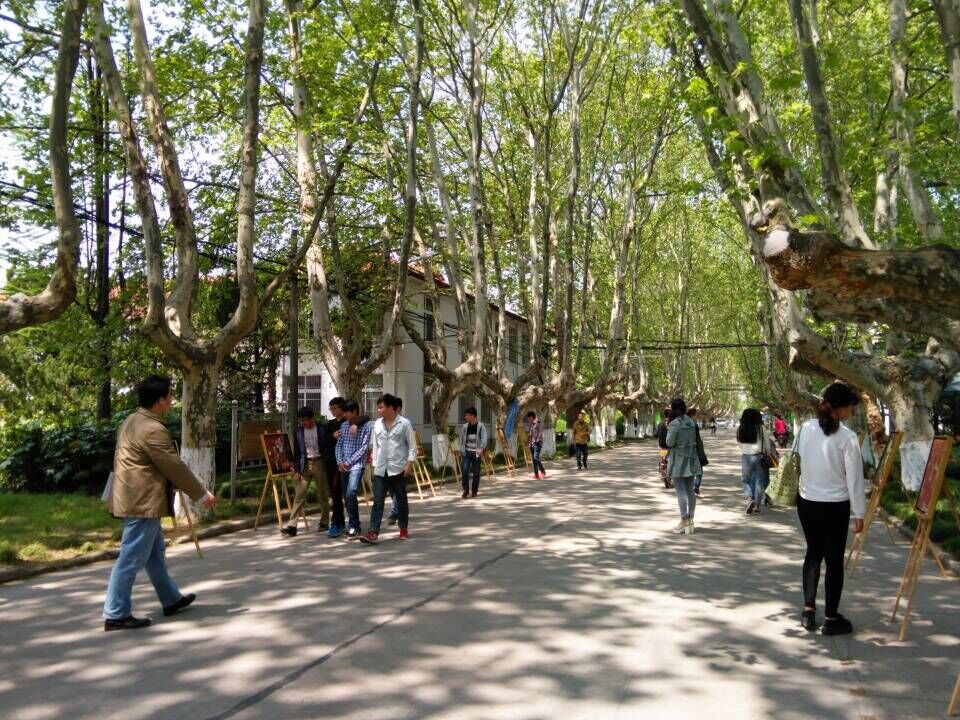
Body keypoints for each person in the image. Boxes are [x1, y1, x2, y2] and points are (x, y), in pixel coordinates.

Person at [102, 374, 216, 631]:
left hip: (133, 497)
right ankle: (115, 612)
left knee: (154, 555)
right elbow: (173, 466)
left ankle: (170, 599)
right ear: (159, 400)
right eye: (170, 396)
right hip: (142, 502)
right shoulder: (153, 429)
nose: (172, 400)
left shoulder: (131, 421)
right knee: (131, 557)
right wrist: (201, 494)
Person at [796, 382, 865, 635]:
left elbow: (798, 458)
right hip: (836, 506)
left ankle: (808, 610)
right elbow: (854, 479)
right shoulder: (847, 437)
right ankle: (831, 617)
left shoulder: (805, 428)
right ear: (839, 408)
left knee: (813, 553)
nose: (852, 412)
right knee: (834, 560)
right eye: (850, 407)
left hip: (807, 501)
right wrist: (859, 513)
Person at [360, 394, 415, 544]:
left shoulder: (404, 424)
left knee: (401, 501)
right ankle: (373, 532)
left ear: (391, 407)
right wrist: (374, 464)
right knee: (378, 502)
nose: (379, 410)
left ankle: (403, 528)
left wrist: (409, 464)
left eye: (381, 407)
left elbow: (412, 446)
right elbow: (375, 446)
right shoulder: (377, 424)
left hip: (398, 469)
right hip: (380, 469)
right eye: (378, 408)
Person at [282, 406, 331, 538]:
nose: (304, 423)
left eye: (305, 420)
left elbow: (327, 446)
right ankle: (292, 526)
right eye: (301, 421)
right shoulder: (298, 432)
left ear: (312, 418)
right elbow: (297, 453)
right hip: (305, 465)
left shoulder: (322, 429)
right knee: (299, 495)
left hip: (319, 462)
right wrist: (297, 469)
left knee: (322, 494)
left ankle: (324, 522)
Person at [335, 400, 373, 539]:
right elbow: (339, 445)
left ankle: (354, 525)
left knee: (351, 492)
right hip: (343, 465)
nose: (344, 415)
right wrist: (340, 461)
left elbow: (363, 448)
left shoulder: (366, 427)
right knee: (346, 495)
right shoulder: (344, 425)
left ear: (355, 411)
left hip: (357, 465)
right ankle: (354, 524)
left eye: (347, 412)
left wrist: (348, 462)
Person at [665, 398, 701, 534]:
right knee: (690, 491)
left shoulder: (674, 424)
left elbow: (669, 442)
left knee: (680, 492)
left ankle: (683, 520)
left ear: (674, 408)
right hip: (691, 458)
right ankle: (691, 520)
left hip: (678, 460)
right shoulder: (691, 422)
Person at [737, 408, 771, 515]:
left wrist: (746, 449)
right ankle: (756, 506)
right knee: (759, 482)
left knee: (745, 480)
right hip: (759, 457)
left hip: (746, 457)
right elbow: (767, 444)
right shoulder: (761, 428)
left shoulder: (740, 428)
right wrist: (768, 453)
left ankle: (749, 498)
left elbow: (739, 443)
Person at [322, 397, 348, 538]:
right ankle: (338, 522)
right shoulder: (330, 424)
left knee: (345, 494)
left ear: (342, 408)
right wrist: (333, 435)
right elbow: (323, 441)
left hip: (344, 463)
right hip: (331, 463)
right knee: (334, 493)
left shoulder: (348, 423)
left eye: (334, 408)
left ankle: (341, 522)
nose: (332, 410)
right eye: (331, 408)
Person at [458, 406, 488, 497]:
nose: (465, 417)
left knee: (476, 472)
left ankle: (474, 491)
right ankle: (466, 489)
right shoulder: (464, 427)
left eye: (467, 415)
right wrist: (460, 450)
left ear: (473, 416)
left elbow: (484, 439)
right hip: (466, 452)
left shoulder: (481, 426)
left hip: (477, 452)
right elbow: (462, 440)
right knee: (464, 470)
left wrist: (481, 449)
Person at [688, 407, 708, 497]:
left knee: (692, 471)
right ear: (692, 415)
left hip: (690, 451)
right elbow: (696, 439)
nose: (697, 417)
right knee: (699, 471)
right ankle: (695, 488)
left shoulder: (685, 424)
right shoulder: (693, 425)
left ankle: (693, 488)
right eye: (696, 415)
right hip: (695, 451)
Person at [525, 410, 546, 479]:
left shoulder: (538, 423)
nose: (528, 419)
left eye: (529, 418)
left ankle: (543, 471)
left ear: (532, 417)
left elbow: (540, 433)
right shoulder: (530, 425)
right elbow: (530, 435)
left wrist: (536, 441)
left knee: (536, 457)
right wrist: (528, 443)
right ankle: (536, 474)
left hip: (537, 443)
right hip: (531, 444)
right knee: (534, 460)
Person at [656, 408, 673, 489]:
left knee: (663, 459)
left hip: (662, 447)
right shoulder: (673, 424)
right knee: (672, 461)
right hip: (671, 447)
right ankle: (670, 476)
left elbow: (655, 434)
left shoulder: (660, 424)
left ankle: (662, 471)